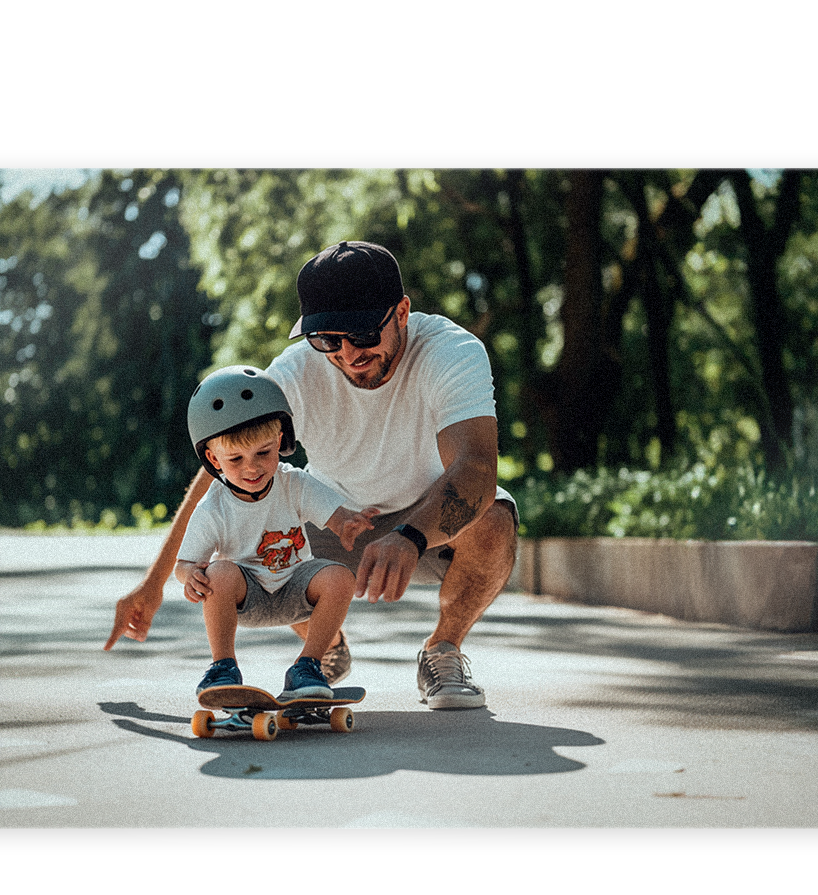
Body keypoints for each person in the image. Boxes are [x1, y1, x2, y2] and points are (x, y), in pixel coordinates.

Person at [107, 242, 518, 710]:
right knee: (249, 522)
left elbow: (477, 469)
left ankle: (442, 649)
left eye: (363, 334)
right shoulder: (293, 375)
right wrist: (153, 582)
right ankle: (324, 650)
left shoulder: (450, 351)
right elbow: (219, 474)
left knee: (494, 518)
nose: (347, 353)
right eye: (326, 338)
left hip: (430, 523)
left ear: (401, 312)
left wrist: (409, 536)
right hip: (332, 522)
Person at [173, 365, 377, 702]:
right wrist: (190, 575)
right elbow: (185, 564)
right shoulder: (213, 507)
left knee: (340, 577)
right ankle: (223, 667)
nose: (251, 468)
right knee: (219, 572)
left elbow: (333, 514)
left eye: (263, 453)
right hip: (246, 595)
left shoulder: (292, 483)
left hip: (296, 588)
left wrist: (347, 523)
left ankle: (307, 666)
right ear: (213, 459)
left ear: (280, 441)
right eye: (235, 458)